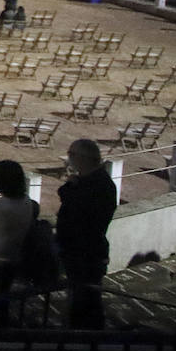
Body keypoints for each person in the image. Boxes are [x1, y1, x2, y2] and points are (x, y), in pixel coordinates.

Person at [57, 139, 118, 329]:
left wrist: (72, 185)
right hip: (81, 252)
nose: (69, 158)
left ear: (83, 158)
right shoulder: (91, 181)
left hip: (84, 253)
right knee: (82, 301)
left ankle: (84, 348)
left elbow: (71, 201)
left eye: (71, 154)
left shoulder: (96, 185)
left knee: (85, 304)